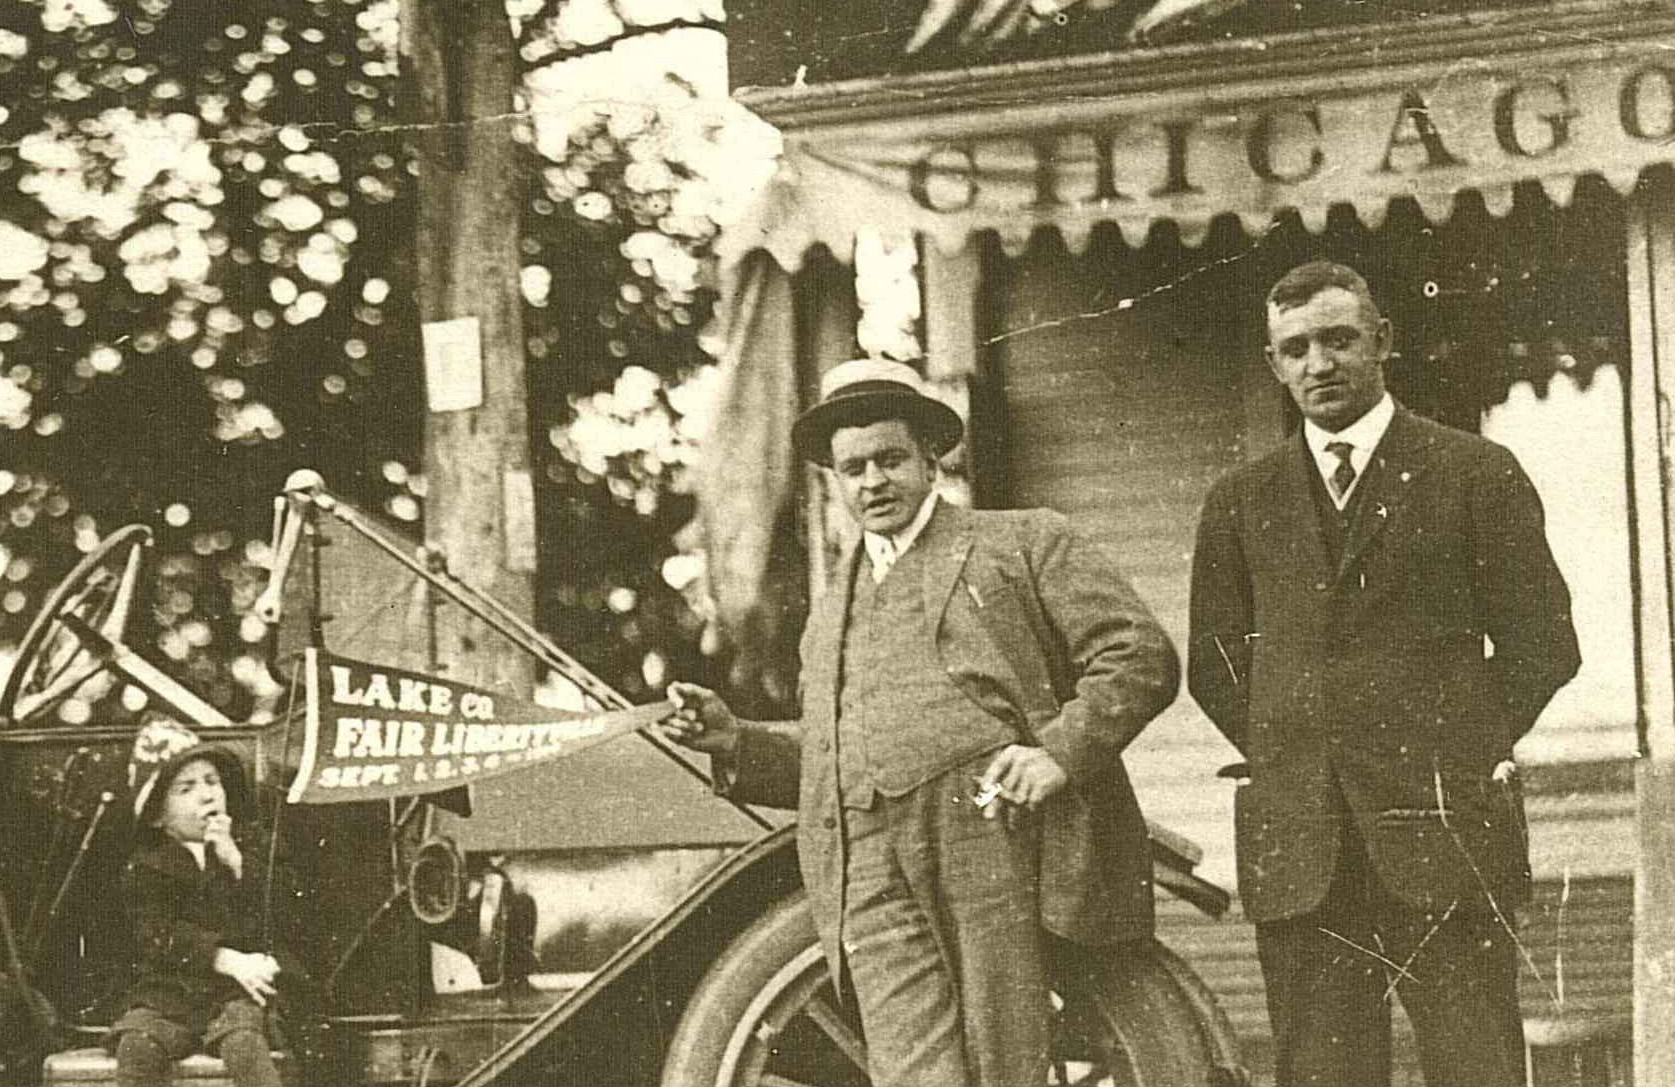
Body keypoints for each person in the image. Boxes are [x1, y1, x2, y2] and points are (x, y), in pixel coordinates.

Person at [666, 357, 1177, 1087]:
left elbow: (1139, 653)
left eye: (889, 459)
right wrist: (734, 740)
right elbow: (830, 753)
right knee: (911, 1074)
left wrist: (1058, 752)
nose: (872, 481)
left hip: (991, 841)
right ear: (832, 481)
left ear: (930, 459)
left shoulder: (1019, 542)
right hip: (864, 868)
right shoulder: (829, 607)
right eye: (852, 468)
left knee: (1007, 1066)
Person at [1188, 261, 1578, 1087]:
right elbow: (1216, 667)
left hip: (1444, 831)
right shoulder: (1238, 501)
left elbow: (1543, 643)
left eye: (1337, 339)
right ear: (1272, 363)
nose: (1318, 364)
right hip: (1301, 852)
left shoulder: (1474, 471)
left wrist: (1454, 748)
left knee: (1476, 1066)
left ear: (1381, 343)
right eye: (1295, 348)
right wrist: (1297, 749)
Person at [105, 720, 290, 1087]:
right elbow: (158, 933)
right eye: (186, 789)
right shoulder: (147, 865)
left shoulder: (247, 850)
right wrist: (226, 959)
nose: (207, 795)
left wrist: (235, 862)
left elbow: (278, 910)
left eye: (211, 781)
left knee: (244, 1043)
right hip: (170, 994)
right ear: (158, 816)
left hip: (234, 996)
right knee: (137, 1044)